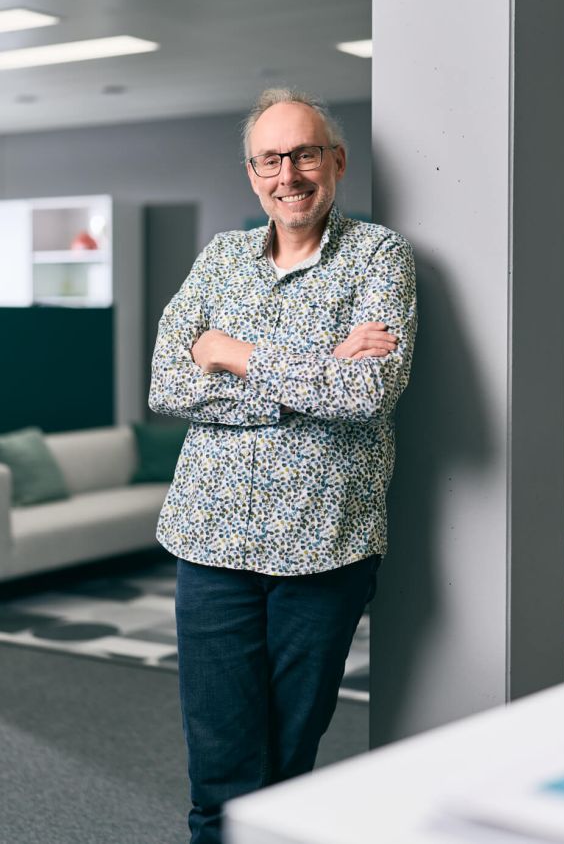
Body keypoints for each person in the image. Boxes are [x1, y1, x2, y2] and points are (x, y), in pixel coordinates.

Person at [149, 88, 417, 844]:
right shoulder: (220, 259)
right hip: (210, 543)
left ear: (337, 161)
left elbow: (367, 393)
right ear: (252, 172)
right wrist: (317, 369)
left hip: (323, 545)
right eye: (270, 159)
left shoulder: (379, 256)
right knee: (219, 771)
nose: (288, 174)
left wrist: (231, 353)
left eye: (304, 154)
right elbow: (167, 384)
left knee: (288, 764)